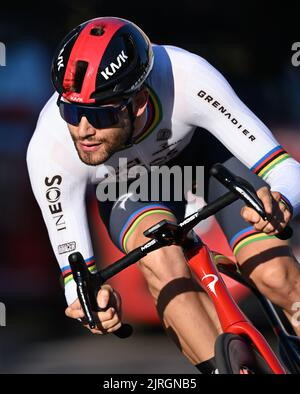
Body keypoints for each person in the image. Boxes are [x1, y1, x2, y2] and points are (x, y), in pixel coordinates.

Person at [27, 16, 300, 373]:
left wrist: (280, 201)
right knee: (161, 263)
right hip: (130, 184)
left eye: (100, 114)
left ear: (139, 102)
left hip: (208, 156)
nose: (82, 129)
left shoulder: (187, 76)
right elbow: (75, 274)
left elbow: (285, 170)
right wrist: (92, 303)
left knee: (274, 275)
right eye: (71, 110)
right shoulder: (50, 147)